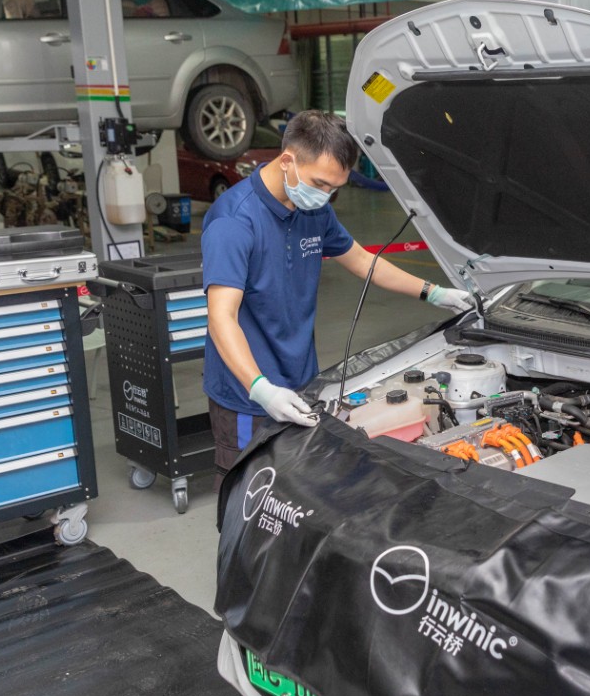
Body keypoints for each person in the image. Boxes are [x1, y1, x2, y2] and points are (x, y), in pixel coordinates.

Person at [201, 110, 474, 484]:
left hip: (303, 382)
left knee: (296, 493)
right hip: (247, 395)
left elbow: (361, 261)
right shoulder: (234, 222)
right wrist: (261, 389)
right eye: (319, 183)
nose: (325, 196)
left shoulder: (312, 209)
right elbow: (221, 317)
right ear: (287, 161)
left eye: (334, 188)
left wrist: (434, 292)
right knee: (249, 496)